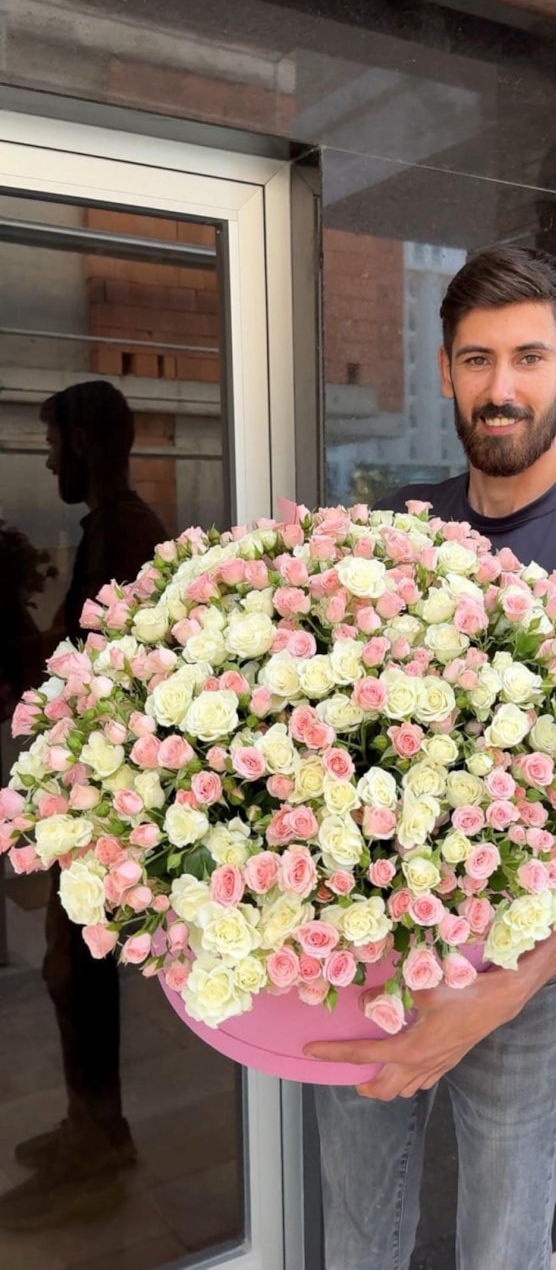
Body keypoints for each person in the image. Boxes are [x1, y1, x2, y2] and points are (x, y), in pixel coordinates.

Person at [306, 245, 556, 1270]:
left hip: (520, 986)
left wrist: (499, 990)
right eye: (476, 359)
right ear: (445, 372)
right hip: (370, 961)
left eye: (529, 357)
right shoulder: (400, 528)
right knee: (357, 1237)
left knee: (503, 1250)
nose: (501, 387)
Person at [0, 381, 166, 1232]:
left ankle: (97, 1138)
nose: (48, 461)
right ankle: (92, 1125)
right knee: (70, 973)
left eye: (54, 443)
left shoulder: (126, 533)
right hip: (90, 790)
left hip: (104, 798)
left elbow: (104, 671)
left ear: (87, 443)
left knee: (77, 971)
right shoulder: (108, 528)